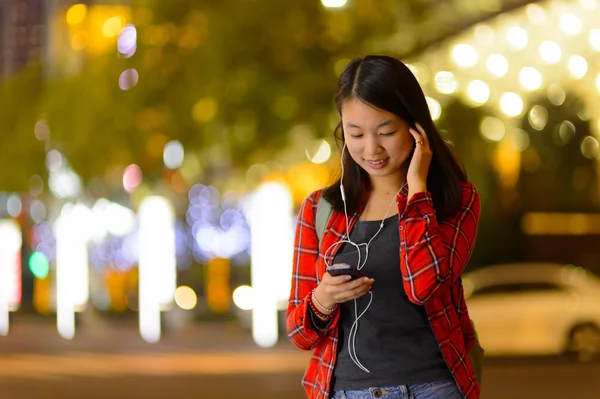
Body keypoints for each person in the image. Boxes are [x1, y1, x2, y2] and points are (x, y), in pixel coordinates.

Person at [286, 55, 481, 399]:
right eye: (356, 133)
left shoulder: (455, 199)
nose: (371, 148)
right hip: (346, 392)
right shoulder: (321, 209)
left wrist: (418, 190)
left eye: (386, 132)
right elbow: (300, 333)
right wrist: (324, 298)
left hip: (433, 389)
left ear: (415, 126)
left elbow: (423, 286)